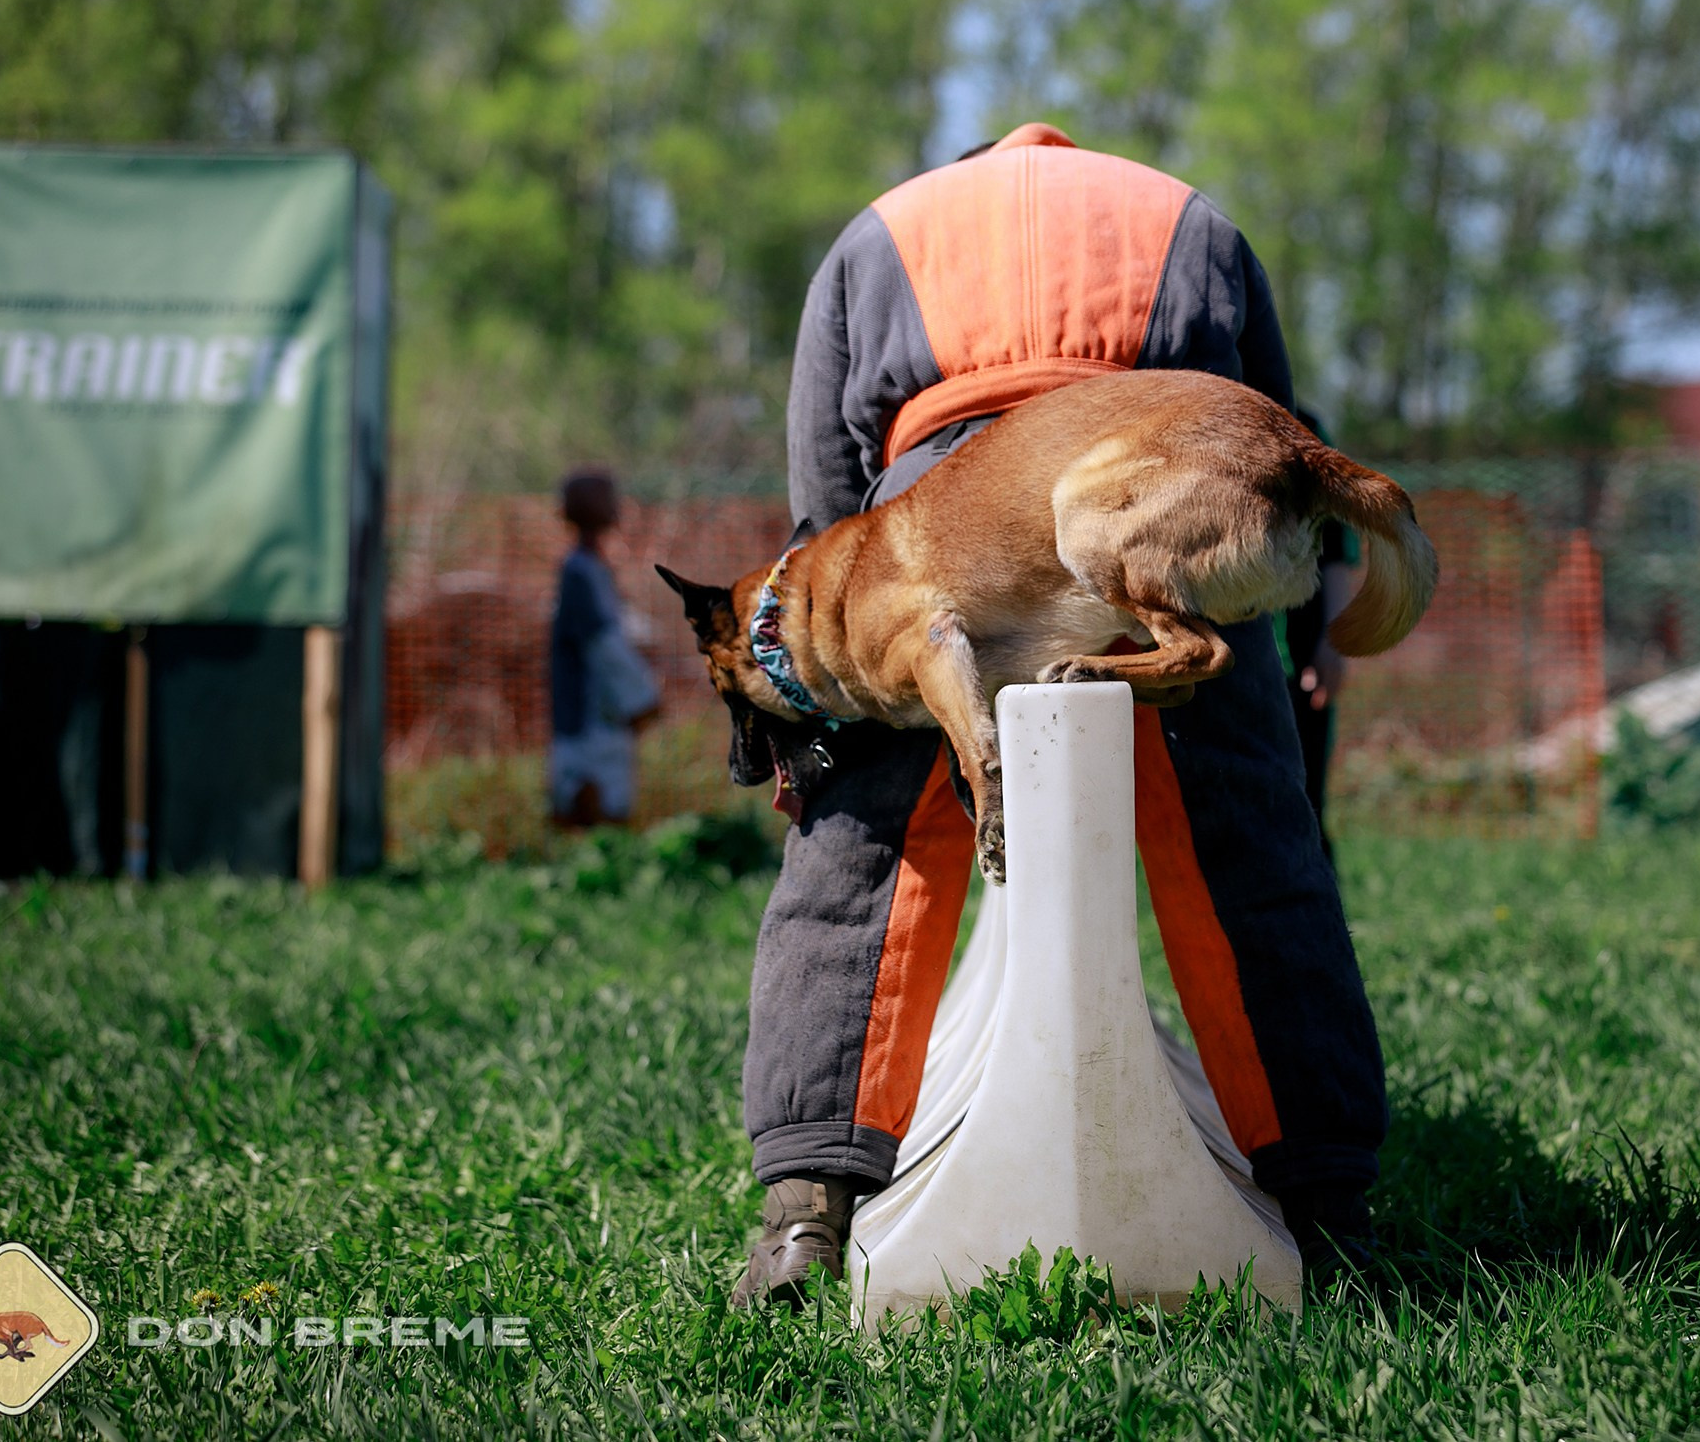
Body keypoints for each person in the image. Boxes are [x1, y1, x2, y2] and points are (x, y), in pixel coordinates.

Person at [733, 123, 1385, 1306]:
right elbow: (1272, 424)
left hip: (945, 500)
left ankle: (803, 1212)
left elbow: (825, 499)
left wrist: (851, 679)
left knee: (864, 849)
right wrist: (1291, 624)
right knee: (1251, 836)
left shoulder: (880, 230)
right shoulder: (1190, 216)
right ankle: (1329, 1203)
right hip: (1169, 469)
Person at [548, 469, 661, 827]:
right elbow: (603, 643)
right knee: (593, 802)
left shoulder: (588, 568)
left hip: (595, 708)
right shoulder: (581, 571)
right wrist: (642, 697)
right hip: (590, 711)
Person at [1278, 406, 1365, 865]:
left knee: (1306, 805)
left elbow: (1335, 547)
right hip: (1228, 660)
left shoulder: (1306, 426)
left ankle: (1318, 930)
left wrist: (1334, 642)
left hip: (1299, 658)